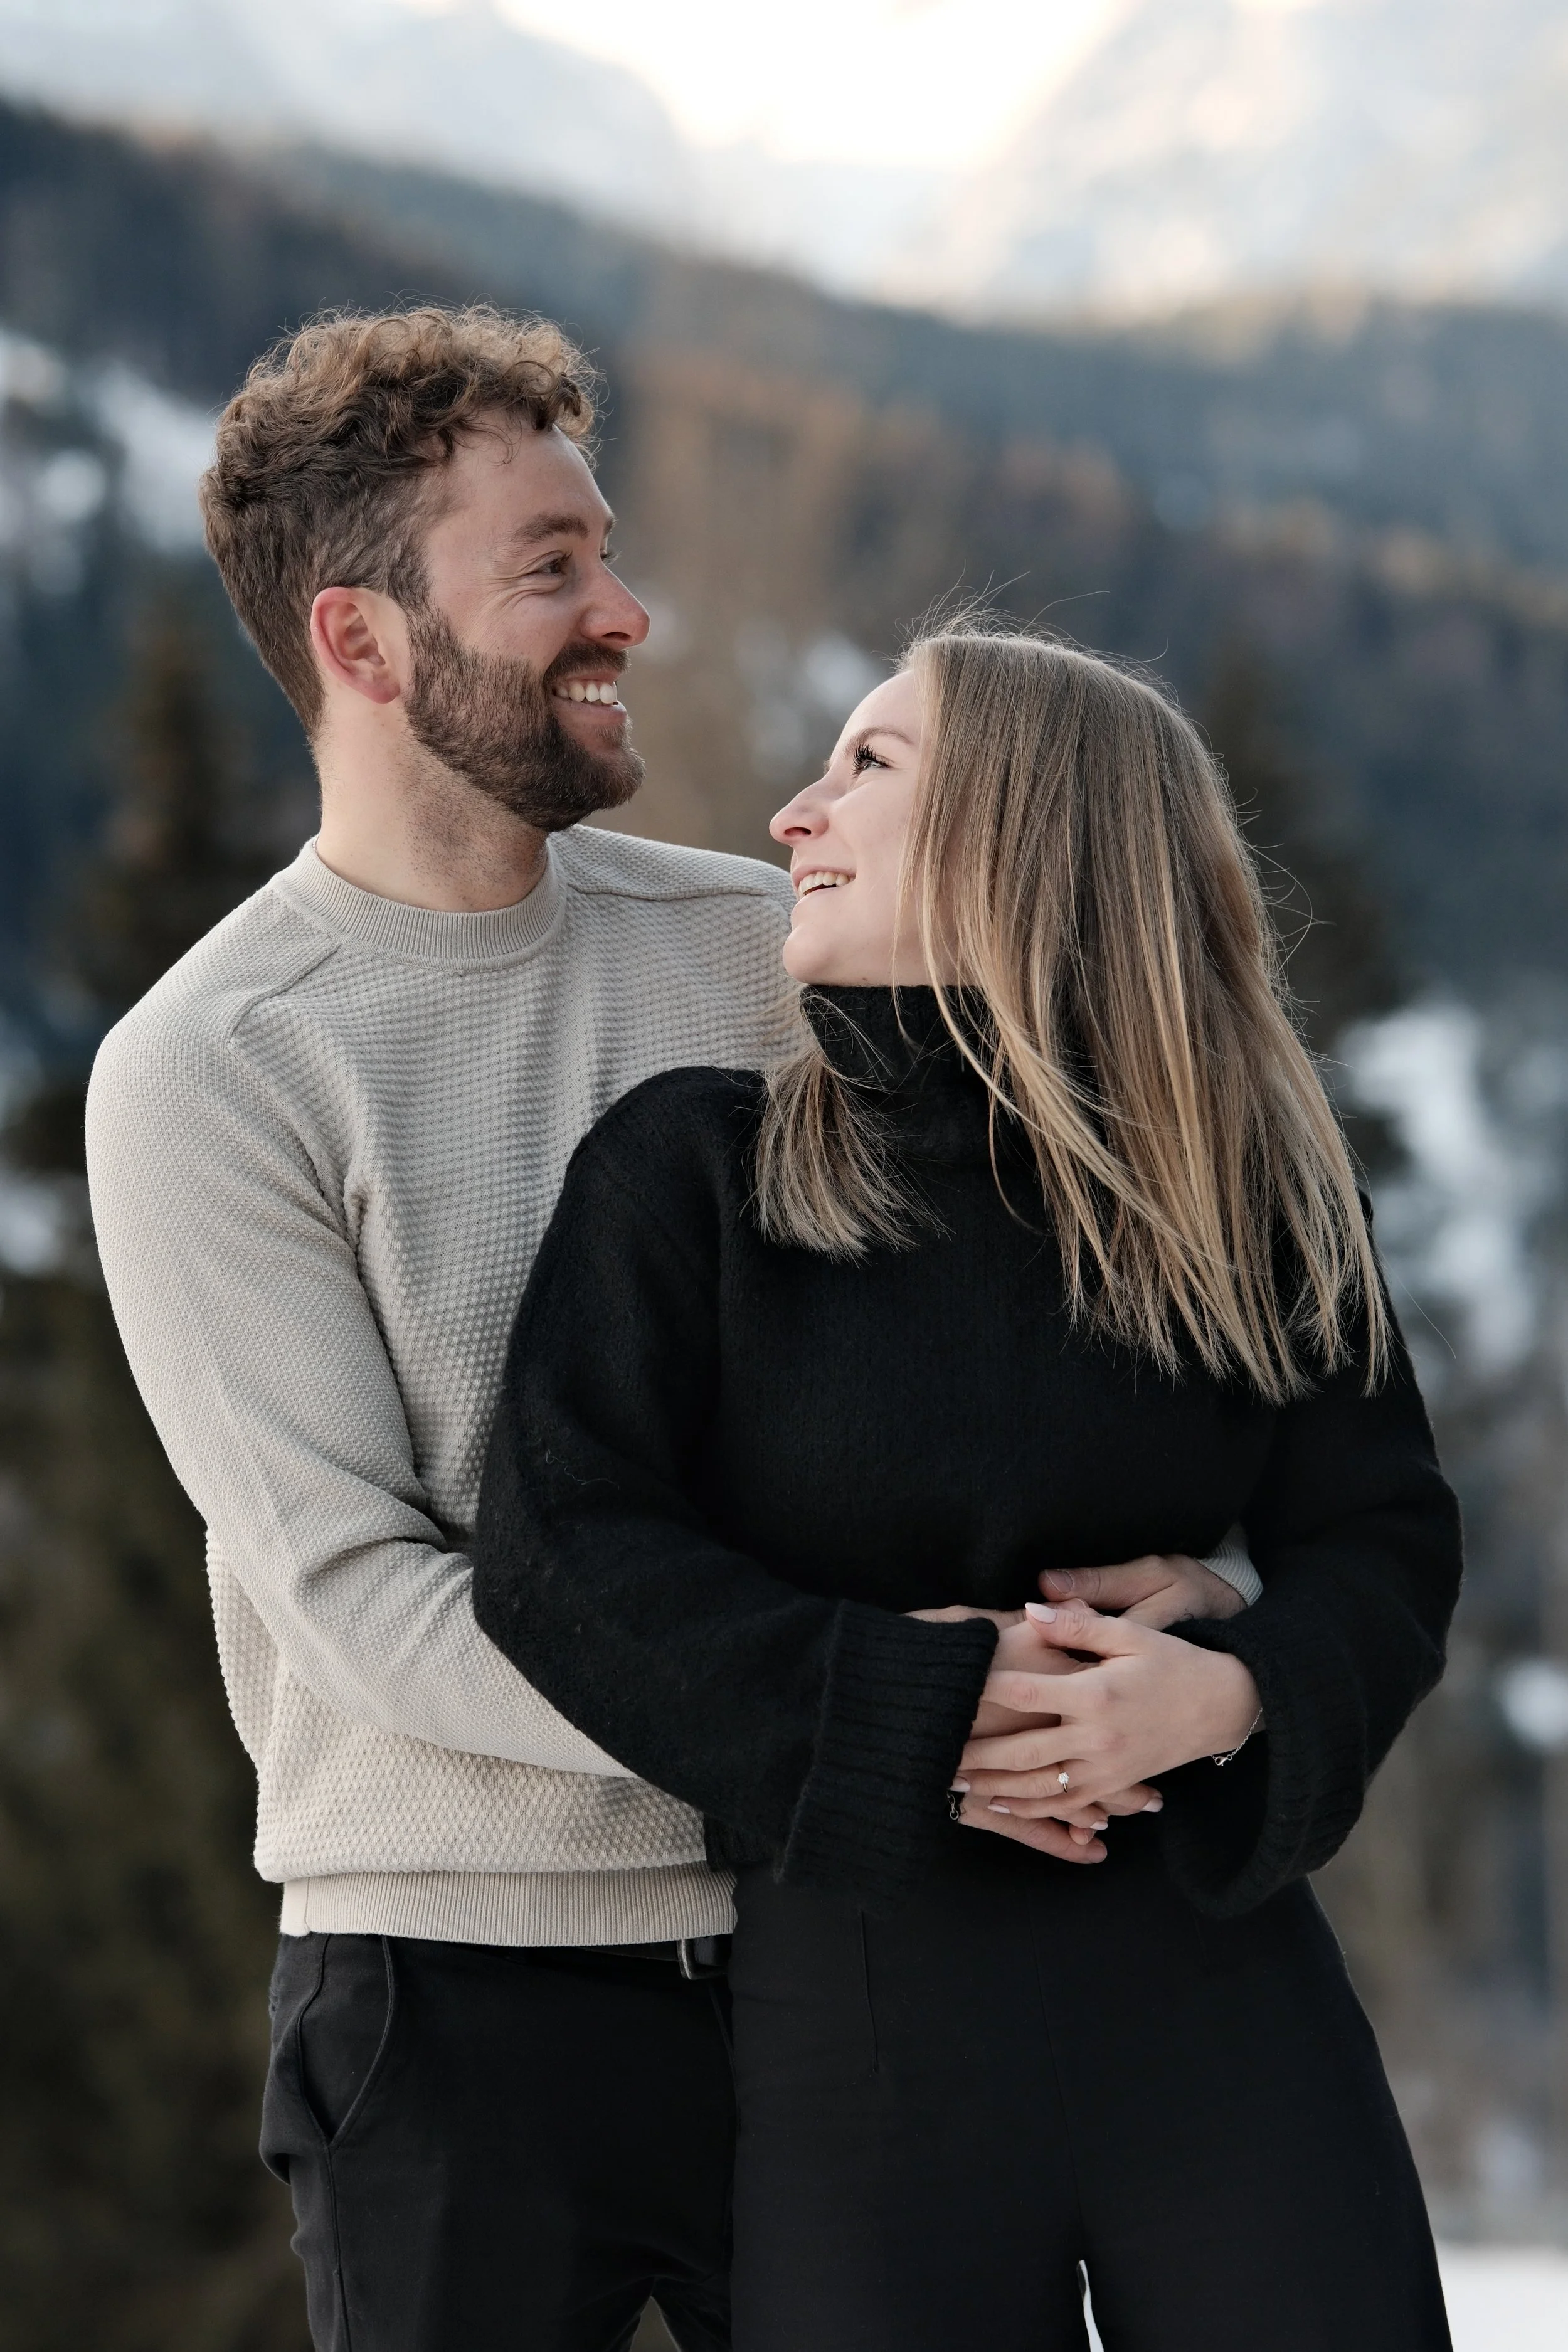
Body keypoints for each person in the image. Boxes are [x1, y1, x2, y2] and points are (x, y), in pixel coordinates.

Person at [472, 629, 1463, 2352]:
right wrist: (906, 1711)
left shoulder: (1245, 1189)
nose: (792, 814)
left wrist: (1229, 1690)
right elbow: (557, 1551)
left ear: (1029, 821)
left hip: (1218, 1985)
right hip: (863, 2021)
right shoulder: (691, 1172)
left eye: (866, 763)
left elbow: (1381, 1540)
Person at [85, 304, 805, 2352]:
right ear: (363, 640)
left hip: (824, 1962)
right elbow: (363, 1597)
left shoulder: (756, 951)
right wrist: (840, 1718)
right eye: (551, 568)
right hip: (450, 2003)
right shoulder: (212, 1067)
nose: (628, 611)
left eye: (606, 548)